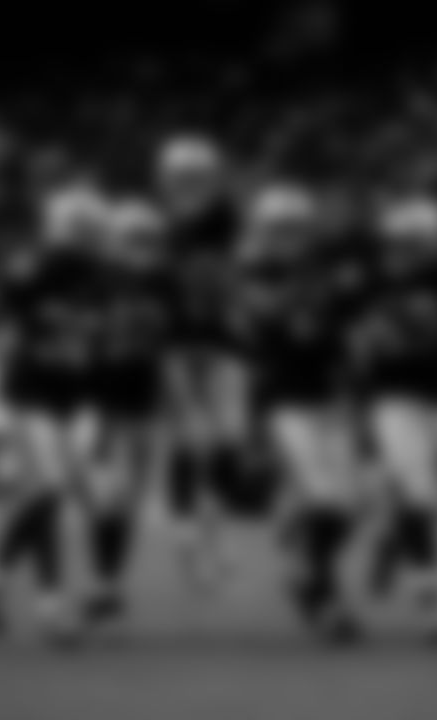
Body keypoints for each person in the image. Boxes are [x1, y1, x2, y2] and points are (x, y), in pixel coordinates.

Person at [0, 182, 113, 645]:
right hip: (29, 397)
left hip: (71, 401)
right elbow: (5, 326)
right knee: (50, 489)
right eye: (81, 229)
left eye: (93, 229)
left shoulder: (101, 280)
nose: (88, 237)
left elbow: (97, 346)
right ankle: (45, 605)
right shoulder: (33, 271)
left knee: (51, 499)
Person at [353, 195, 437, 644]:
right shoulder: (368, 279)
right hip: (395, 399)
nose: (406, 252)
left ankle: (391, 536)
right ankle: (431, 599)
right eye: (400, 243)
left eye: (417, 243)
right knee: (421, 495)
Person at [238, 183, 367, 643]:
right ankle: (324, 601)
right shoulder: (257, 274)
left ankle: (305, 570)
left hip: (329, 398)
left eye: (295, 228)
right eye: (279, 229)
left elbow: (346, 334)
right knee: (325, 499)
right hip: (284, 401)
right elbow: (274, 326)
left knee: (350, 507)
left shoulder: (326, 272)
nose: (288, 237)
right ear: (264, 231)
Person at [77, 198, 181, 629]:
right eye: (135, 238)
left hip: (143, 401)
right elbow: (81, 344)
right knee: (106, 497)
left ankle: (110, 584)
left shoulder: (164, 285)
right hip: (99, 401)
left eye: (149, 239)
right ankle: (102, 583)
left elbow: (172, 347)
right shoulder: (93, 285)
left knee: (127, 501)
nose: (143, 247)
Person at [154, 134, 250, 594]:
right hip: (177, 348)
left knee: (228, 444)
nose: (190, 185)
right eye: (182, 178)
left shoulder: (226, 221)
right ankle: (186, 537)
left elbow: (228, 230)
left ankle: (217, 533)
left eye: (198, 177)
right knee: (191, 443)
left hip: (224, 346)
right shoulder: (158, 232)